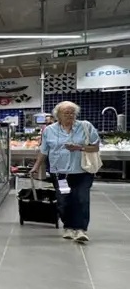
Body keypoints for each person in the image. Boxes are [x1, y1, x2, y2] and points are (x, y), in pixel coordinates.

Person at [30, 100, 100, 243]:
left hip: (82, 172)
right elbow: (44, 150)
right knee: (64, 200)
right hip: (60, 173)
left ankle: (80, 229)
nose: (70, 115)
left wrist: (79, 148)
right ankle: (68, 226)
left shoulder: (86, 127)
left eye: (72, 113)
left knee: (81, 199)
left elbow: (96, 147)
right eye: (66, 113)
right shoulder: (49, 130)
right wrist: (36, 166)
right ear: (58, 115)